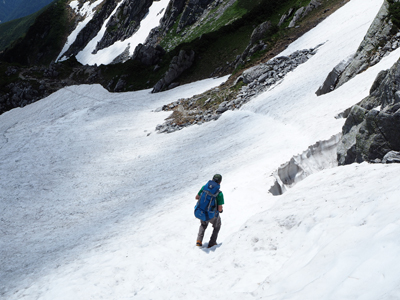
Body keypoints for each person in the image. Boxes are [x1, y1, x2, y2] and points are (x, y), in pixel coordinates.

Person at [195, 174, 224, 248]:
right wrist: (220, 211)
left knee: (203, 224)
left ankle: (199, 241)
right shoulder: (219, 193)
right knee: (217, 226)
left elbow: (197, 197)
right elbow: (219, 208)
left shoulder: (204, 187)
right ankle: (212, 243)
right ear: (220, 182)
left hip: (202, 211)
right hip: (212, 214)